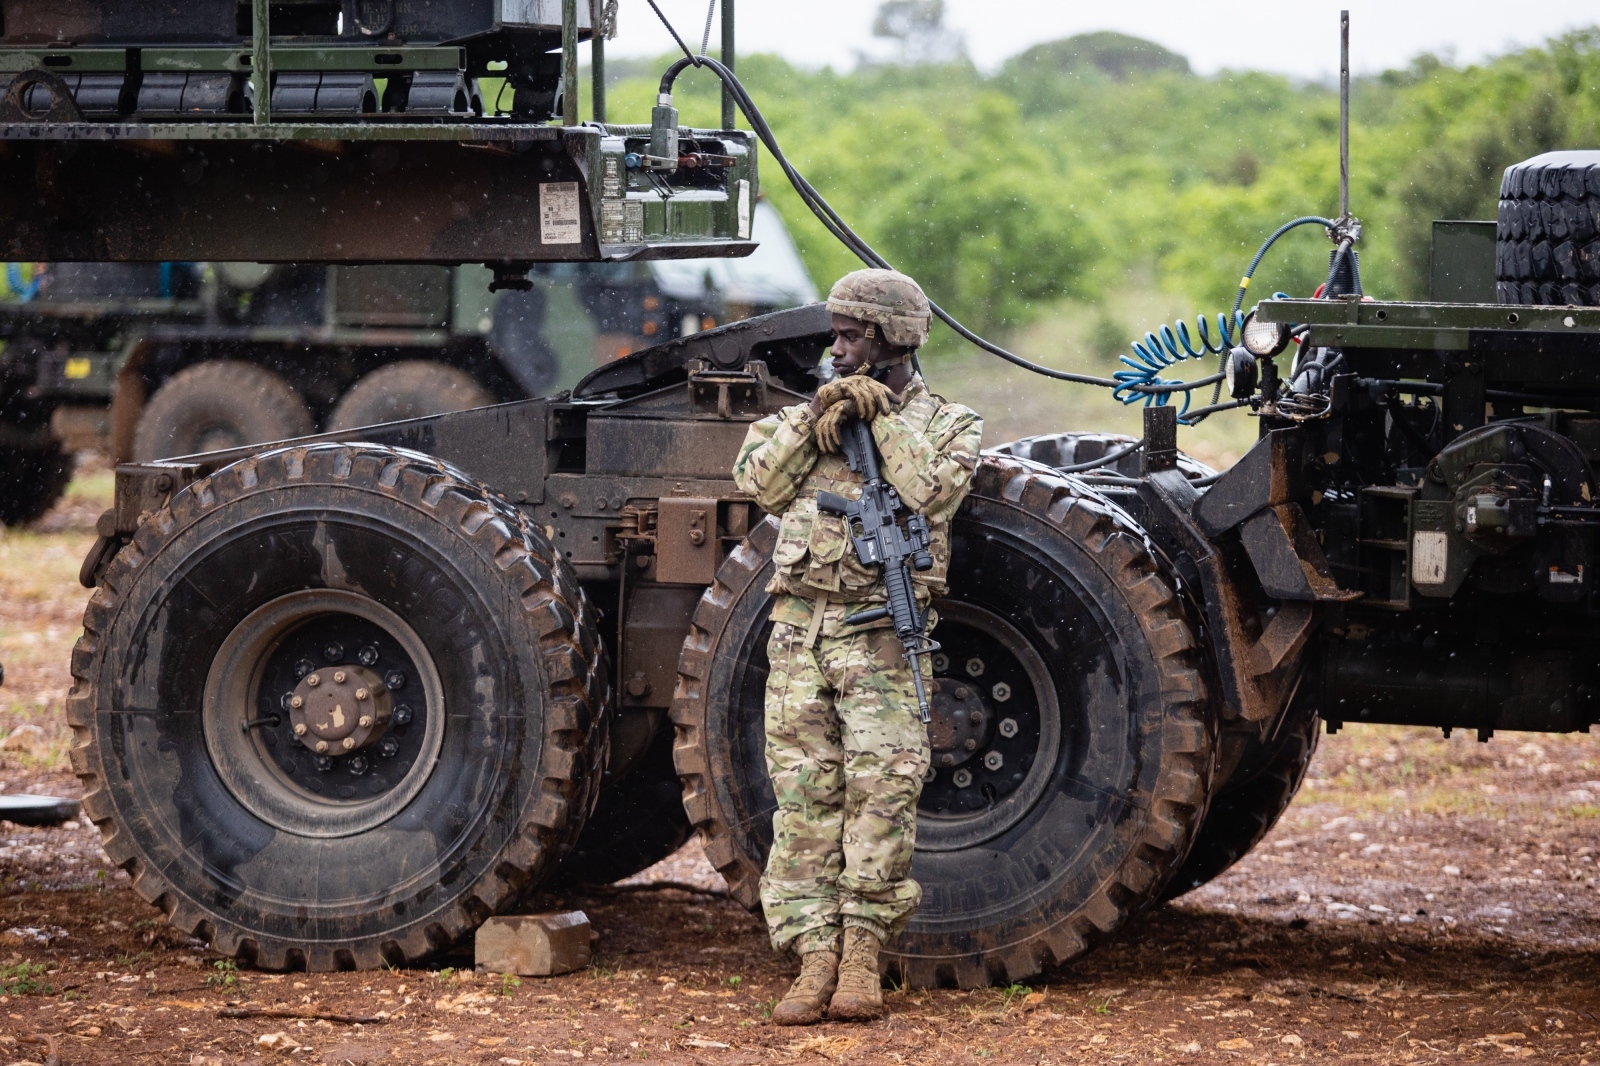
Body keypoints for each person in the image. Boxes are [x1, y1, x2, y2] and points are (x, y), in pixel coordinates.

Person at [732, 268, 983, 1025]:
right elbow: (758, 483)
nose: (836, 349)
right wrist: (819, 417)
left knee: (884, 795)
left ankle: (864, 952)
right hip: (802, 635)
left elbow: (933, 491)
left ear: (892, 340)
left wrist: (883, 424)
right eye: (836, 335)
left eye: (851, 336)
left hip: (879, 639)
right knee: (806, 799)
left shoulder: (949, 421)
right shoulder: (812, 412)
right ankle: (813, 958)